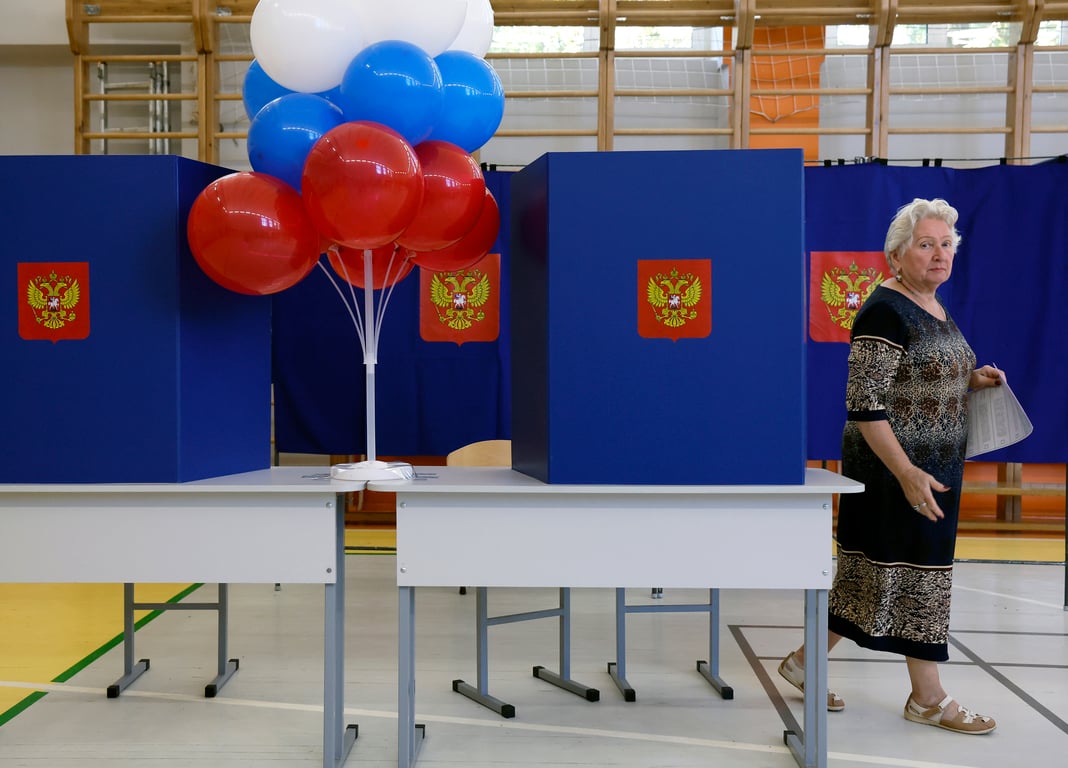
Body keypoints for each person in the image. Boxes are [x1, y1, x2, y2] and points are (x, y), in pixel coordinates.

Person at [778, 198, 1003, 734]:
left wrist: (970, 380)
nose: (939, 254)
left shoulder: (934, 306)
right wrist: (905, 473)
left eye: (947, 245)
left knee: (870, 572)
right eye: (927, 244)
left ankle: (803, 663)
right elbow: (865, 403)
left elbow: (915, 377)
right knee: (919, 575)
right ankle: (928, 698)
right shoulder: (884, 309)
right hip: (896, 471)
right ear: (897, 255)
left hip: (933, 468)